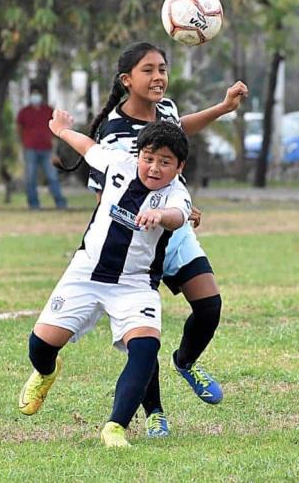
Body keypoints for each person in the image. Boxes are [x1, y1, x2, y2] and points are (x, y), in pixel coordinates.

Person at [64, 42, 247, 437]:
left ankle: (185, 361)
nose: (159, 77)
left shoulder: (166, 109)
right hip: (136, 241)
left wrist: (222, 108)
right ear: (127, 80)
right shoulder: (115, 131)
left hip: (173, 230)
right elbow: (109, 196)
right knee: (143, 335)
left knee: (210, 305)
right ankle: (155, 413)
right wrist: (158, 214)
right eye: (148, 70)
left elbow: (178, 131)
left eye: (162, 68)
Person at [18, 114, 192, 448]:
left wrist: (161, 216)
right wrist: (62, 130)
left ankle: (115, 427)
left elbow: (179, 215)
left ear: (179, 166)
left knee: (145, 348)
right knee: (40, 347)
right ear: (138, 155)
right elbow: (88, 148)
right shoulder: (118, 164)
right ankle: (46, 372)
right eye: (149, 158)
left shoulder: (176, 193)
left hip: (135, 284)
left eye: (165, 162)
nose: (154, 168)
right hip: (85, 275)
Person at [16, 84, 68, 210]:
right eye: (33, 93)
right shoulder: (24, 112)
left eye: (37, 94)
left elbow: (55, 126)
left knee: (52, 176)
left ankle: (60, 203)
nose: (36, 96)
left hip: (47, 148)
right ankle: (34, 204)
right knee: (31, 178)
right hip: (30, 148)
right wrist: (22, 143)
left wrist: (55, 144)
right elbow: (19, 128)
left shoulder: (48, 110)